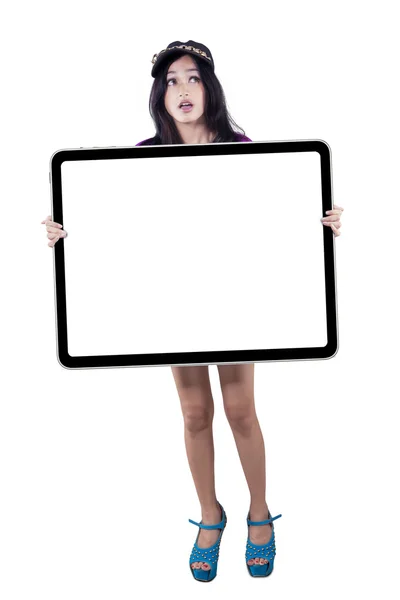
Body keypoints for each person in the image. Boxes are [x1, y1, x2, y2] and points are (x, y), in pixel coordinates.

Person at [42, 40, 344, 582]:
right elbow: (117, 228)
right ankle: (210, 514)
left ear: (210, 86)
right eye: (172, 81)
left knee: (241, 410)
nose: (183, 89)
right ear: (161, 94)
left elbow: (275, 214)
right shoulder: (141, 154)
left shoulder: (242, 147)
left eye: (194, 78)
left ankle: (258, 513)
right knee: (194, 413)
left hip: (234, 296)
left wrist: (318, 219)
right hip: (172, 300)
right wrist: (67, 230)